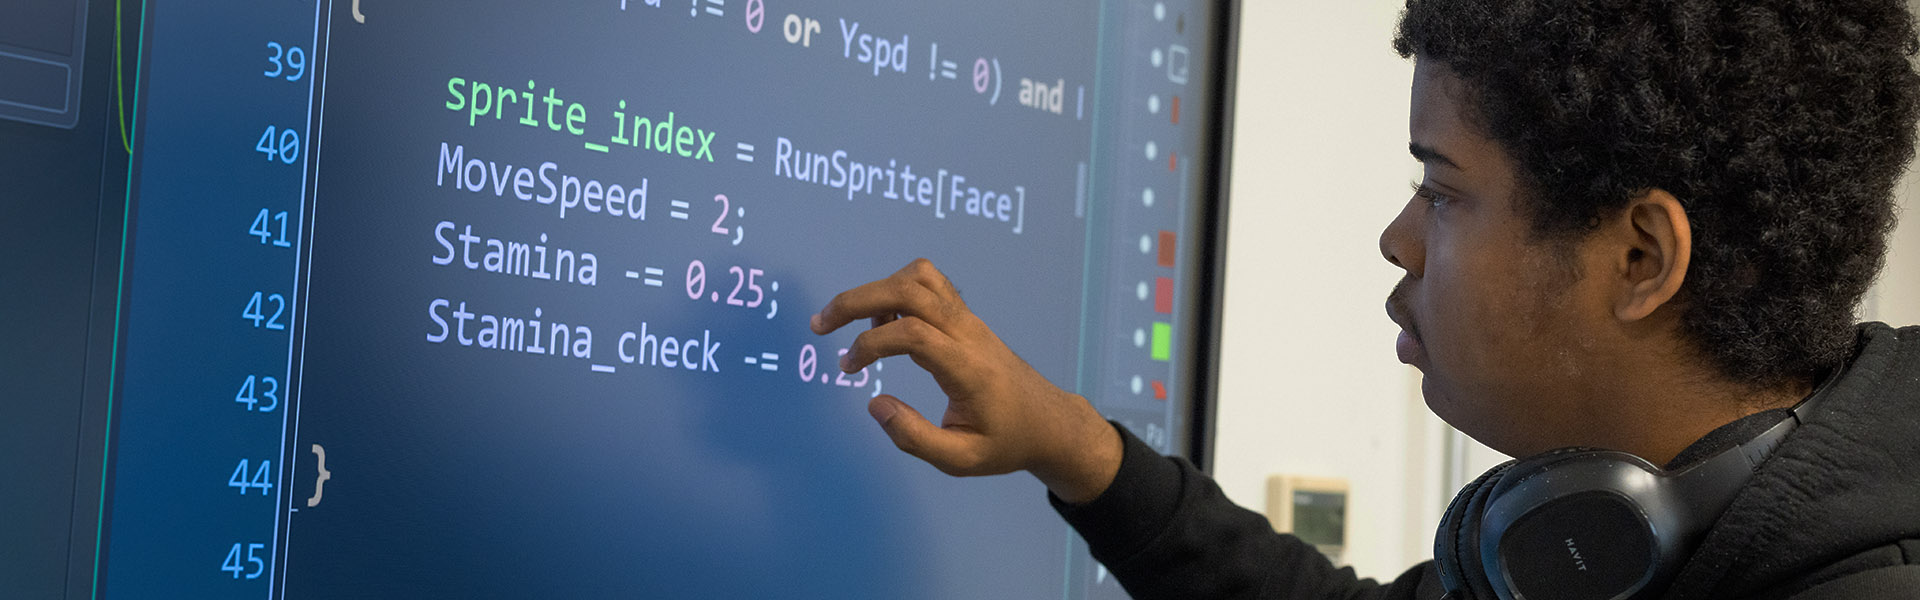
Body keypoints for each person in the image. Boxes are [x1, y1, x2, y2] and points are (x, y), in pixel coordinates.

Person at [810, 0, 1920, 598]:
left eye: (1441, 190)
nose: (1397, 239)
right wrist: (1075, 448)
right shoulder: (1644, 539)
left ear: (1639, 259)